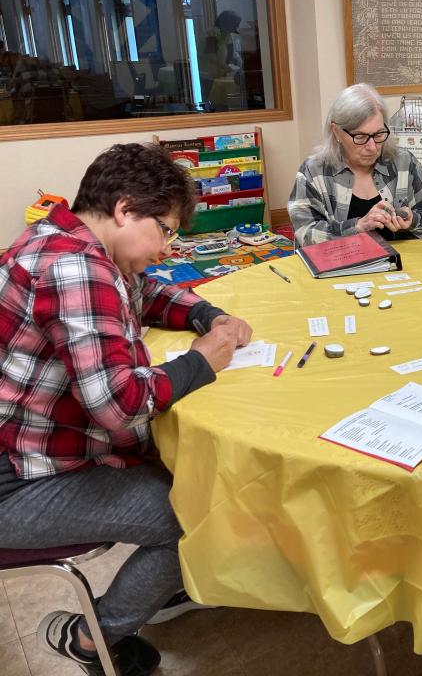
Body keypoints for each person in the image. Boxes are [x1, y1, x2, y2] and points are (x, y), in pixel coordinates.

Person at [0, 143, 253, 675]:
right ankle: (95, 638)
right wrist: (201, 361)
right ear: (124, 208)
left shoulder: (71, 239)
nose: (166, 247)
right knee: (190, 508)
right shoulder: (75, 267)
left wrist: (206, 312)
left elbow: (142, 293)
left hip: (27, 453)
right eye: (165, 229)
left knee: (184, 469)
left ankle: (160, 589)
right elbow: (119, 404)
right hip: (16, 481)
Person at [288, 83, 422, 245]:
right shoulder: (314, 171)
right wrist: (358, 226)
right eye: (360, 137)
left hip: (399, 267)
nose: (372, 147)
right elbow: (305, 234)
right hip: (340, 269)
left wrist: (412, 221)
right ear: (336, 131)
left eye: (379, 134)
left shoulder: (404, 161)